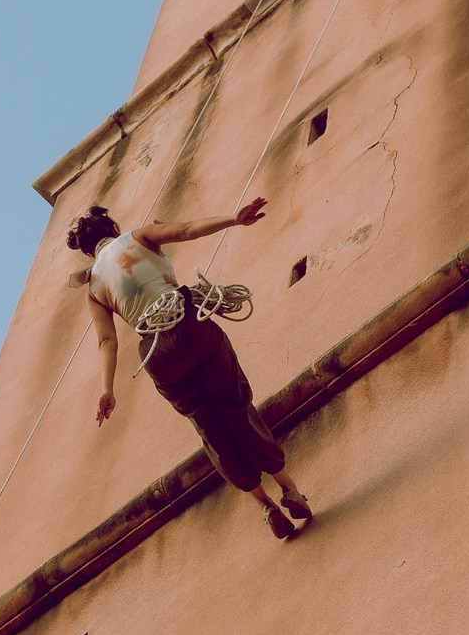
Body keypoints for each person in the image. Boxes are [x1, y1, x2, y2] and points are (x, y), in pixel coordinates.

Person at [71, 198, 313, 540]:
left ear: (87, 252)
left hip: (157, 353)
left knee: (210, 430)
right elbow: (185, 230)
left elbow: (106, 342)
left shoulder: (94, 287)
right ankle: (288, 489)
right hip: (188, 324)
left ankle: (266, 507)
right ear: (112, 230)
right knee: (236, 405)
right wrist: (233, 218)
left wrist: (107, 389)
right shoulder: (136, 238)